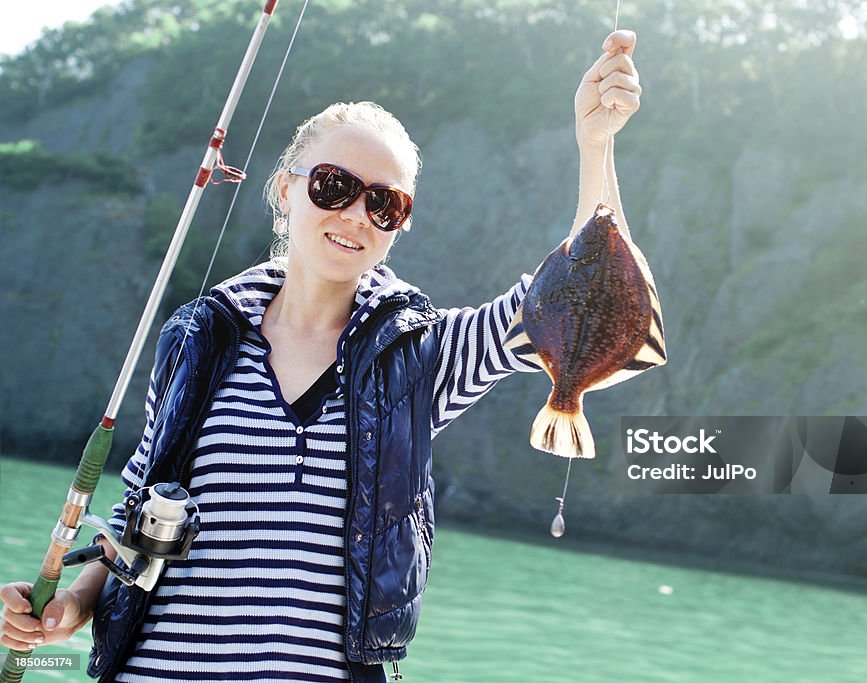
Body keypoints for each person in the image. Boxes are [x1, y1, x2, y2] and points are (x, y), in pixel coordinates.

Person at [1, 30, 643, 683]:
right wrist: (69, 606)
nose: (357, 213)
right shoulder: (198, 339)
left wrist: (596, 144)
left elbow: (594, 293)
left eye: (385, 202)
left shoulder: (425, 354)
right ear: (286, 190)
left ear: (401, 222)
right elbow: (135, 515)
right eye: (334, 184)